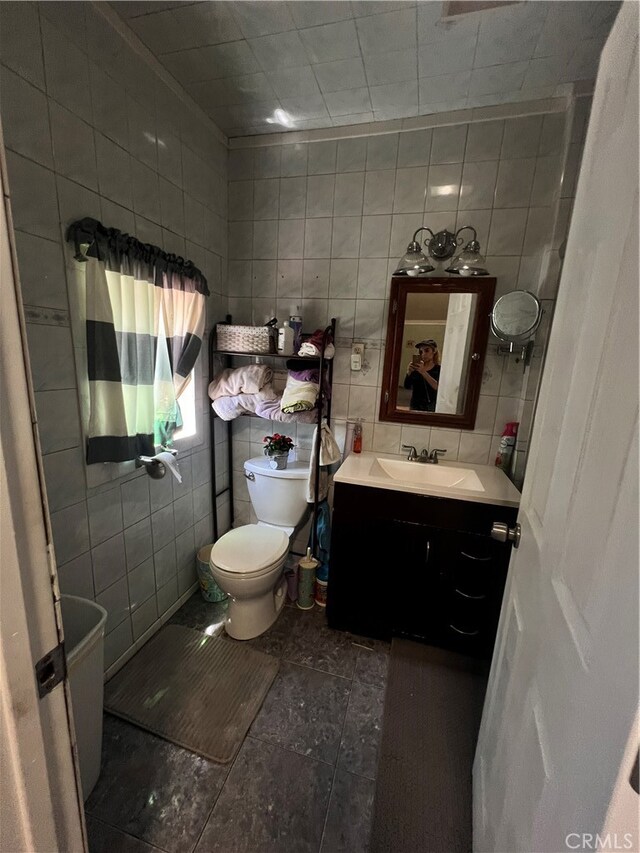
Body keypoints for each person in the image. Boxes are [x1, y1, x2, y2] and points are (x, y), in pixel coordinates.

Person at [403, 339, 441, 412]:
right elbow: (407, 386)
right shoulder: (416, 368)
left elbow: (438, 387)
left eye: (427, 350)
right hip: (415, 405)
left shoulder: (438, 369)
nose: (423, 354)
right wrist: (408, 373)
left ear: (434, 351)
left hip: (431, 406)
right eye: (421, 352)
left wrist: (423, 372)